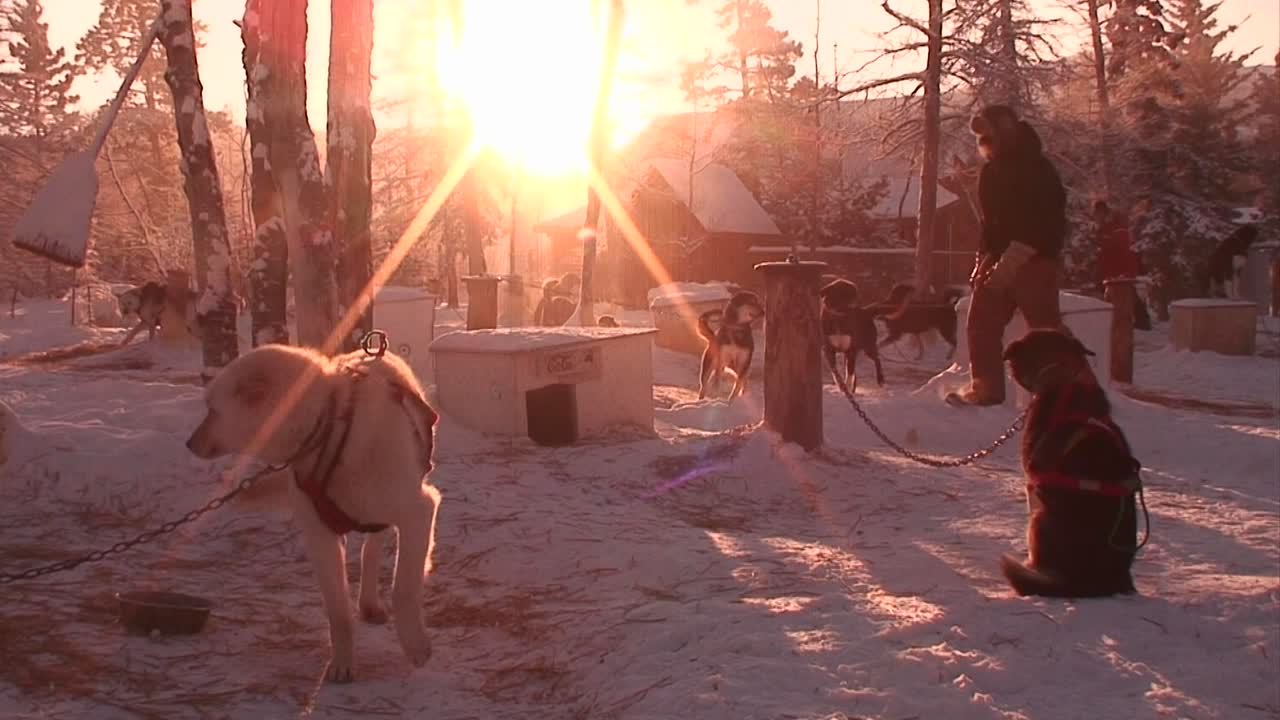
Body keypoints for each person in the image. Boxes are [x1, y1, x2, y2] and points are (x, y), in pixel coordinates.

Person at [948, 105, 1067, 407]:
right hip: (997, 256)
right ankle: (986, 388)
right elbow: (991, 222)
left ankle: (1069, 390)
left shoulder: (1036, 169)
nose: (983, 141)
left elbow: (1043, 220)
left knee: (1045, 330)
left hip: (1034, 259)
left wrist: (1014, 258)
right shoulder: (992, 169)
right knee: (981, 324)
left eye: (987, 133)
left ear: (1005, 131)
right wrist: (984, 258)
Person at [1093, 200, 1152, 330]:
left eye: (1098, 213)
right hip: (1113, 267)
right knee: (1124, 293)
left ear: (1103, 212)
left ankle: (1141, 321)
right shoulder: (1105, 226)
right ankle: (1137, 321)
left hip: (1121, 266)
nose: (1096, 217)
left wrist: (1105, 243)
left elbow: (1121, 244)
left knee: (1127, 293)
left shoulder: (1115, 226)